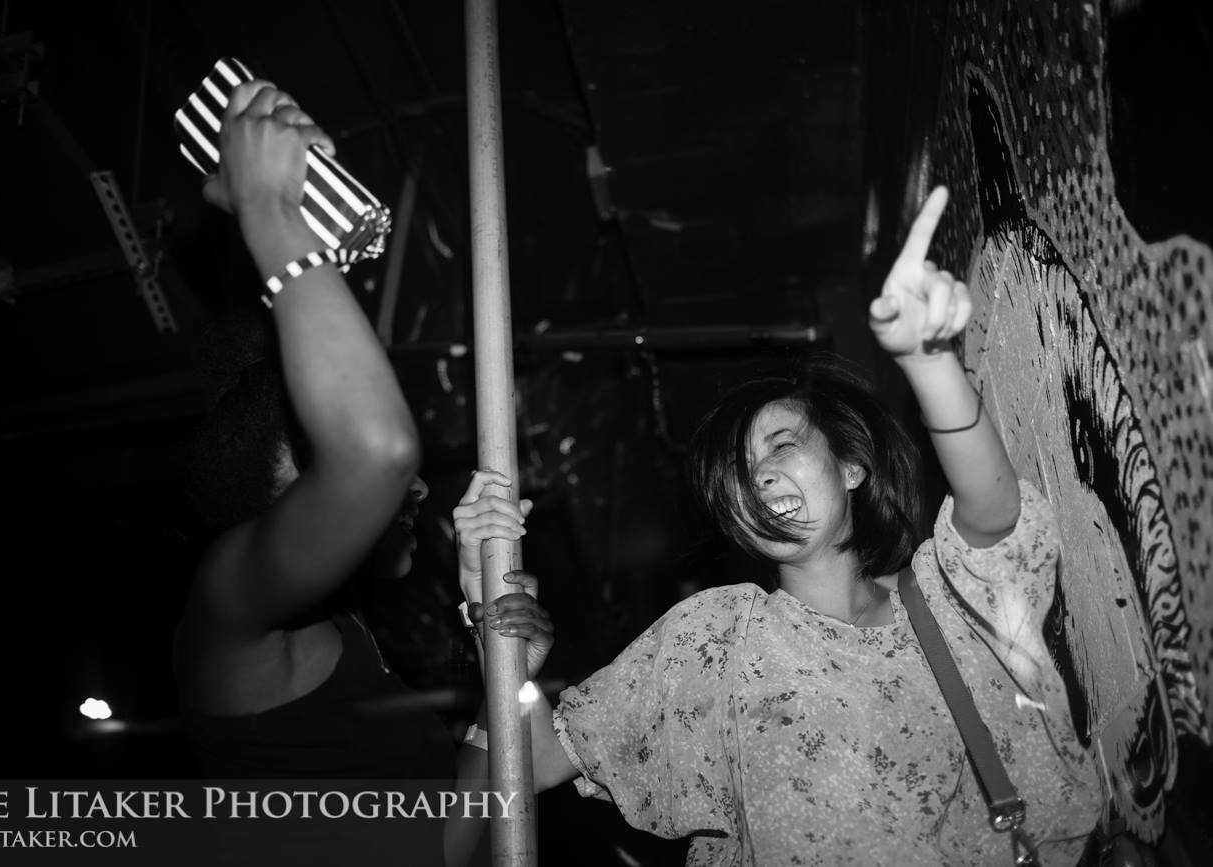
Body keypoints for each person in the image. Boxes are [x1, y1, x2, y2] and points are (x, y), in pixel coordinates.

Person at [463, 187, 1103, 865]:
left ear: (852, 467)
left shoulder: (942, 599)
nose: (760, 476)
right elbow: (526, 764)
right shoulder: (712, 643)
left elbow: (993, 511)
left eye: (782, 446)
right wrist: (504, 658)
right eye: (739, 473)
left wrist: (928, 361)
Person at [172, 79, 551, 866]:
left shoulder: (345, 633)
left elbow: (446, 842)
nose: (416, 490)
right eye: (322, 449)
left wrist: (503, 676)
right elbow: (375, 450)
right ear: (272, 486)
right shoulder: (228, 611)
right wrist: (269, 211)